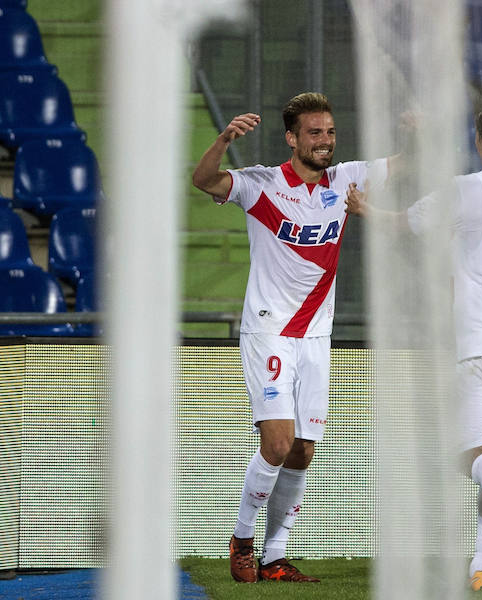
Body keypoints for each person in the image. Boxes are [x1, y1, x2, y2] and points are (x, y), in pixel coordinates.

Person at [345, 87, 482, 592]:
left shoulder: (470, 189)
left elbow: (406, 224)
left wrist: (364, 210)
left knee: (467, 455)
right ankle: (481, 567)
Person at [191, 92, 391, 584]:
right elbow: (202, 180)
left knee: (303, 449)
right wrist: (223, 140)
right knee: (277, 444)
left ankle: (276, 556)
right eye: (314, 133)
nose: (325, 142)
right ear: (292, 138)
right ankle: (242, 538)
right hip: (270, 329)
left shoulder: (346, 180)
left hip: (316, 336)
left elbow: (405, 166)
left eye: (329, 132)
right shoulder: (261, 184)